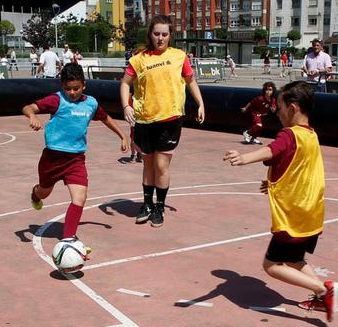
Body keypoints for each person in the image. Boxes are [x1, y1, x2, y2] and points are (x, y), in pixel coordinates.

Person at [222, 81, 337, 322]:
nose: (277, 111)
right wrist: (276, 185)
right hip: (310, 211)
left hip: (293, 215)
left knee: (271, 265)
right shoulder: (311, 135)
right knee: (295, 259)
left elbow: (272, 150)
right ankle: (322, 297)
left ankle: (323, 290)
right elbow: (299, 171)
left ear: (293, 108)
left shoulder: (290, 134)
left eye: (281, 106)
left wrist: (244, 158)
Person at [25, 62, 129, 252]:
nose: (72, 92)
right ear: (61, 86)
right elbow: (28, 107)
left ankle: (68, 239)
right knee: (44, 193)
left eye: (76, 88)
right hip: (52, 158)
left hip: (75, 160)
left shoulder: (91, 103)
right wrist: (32, 116)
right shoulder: (56, 100)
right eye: (67, 88)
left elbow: (105, 118)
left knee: (80, 197)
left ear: (84, 85)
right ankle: (36, 192)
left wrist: (122, 135)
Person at [120, 14, 206, 228]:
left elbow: (190, 80)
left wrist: (201, 103)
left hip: (170, 119)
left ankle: (160, 206)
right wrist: (126, 105)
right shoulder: (138, 59)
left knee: (161, 165)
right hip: (144, 119)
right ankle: (147, 204)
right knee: (147, 164)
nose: (160, 38)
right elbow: (124, 84)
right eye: (156, 33)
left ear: (170, 36)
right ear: (150, 34)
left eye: (164, 34)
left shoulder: (179, 56)